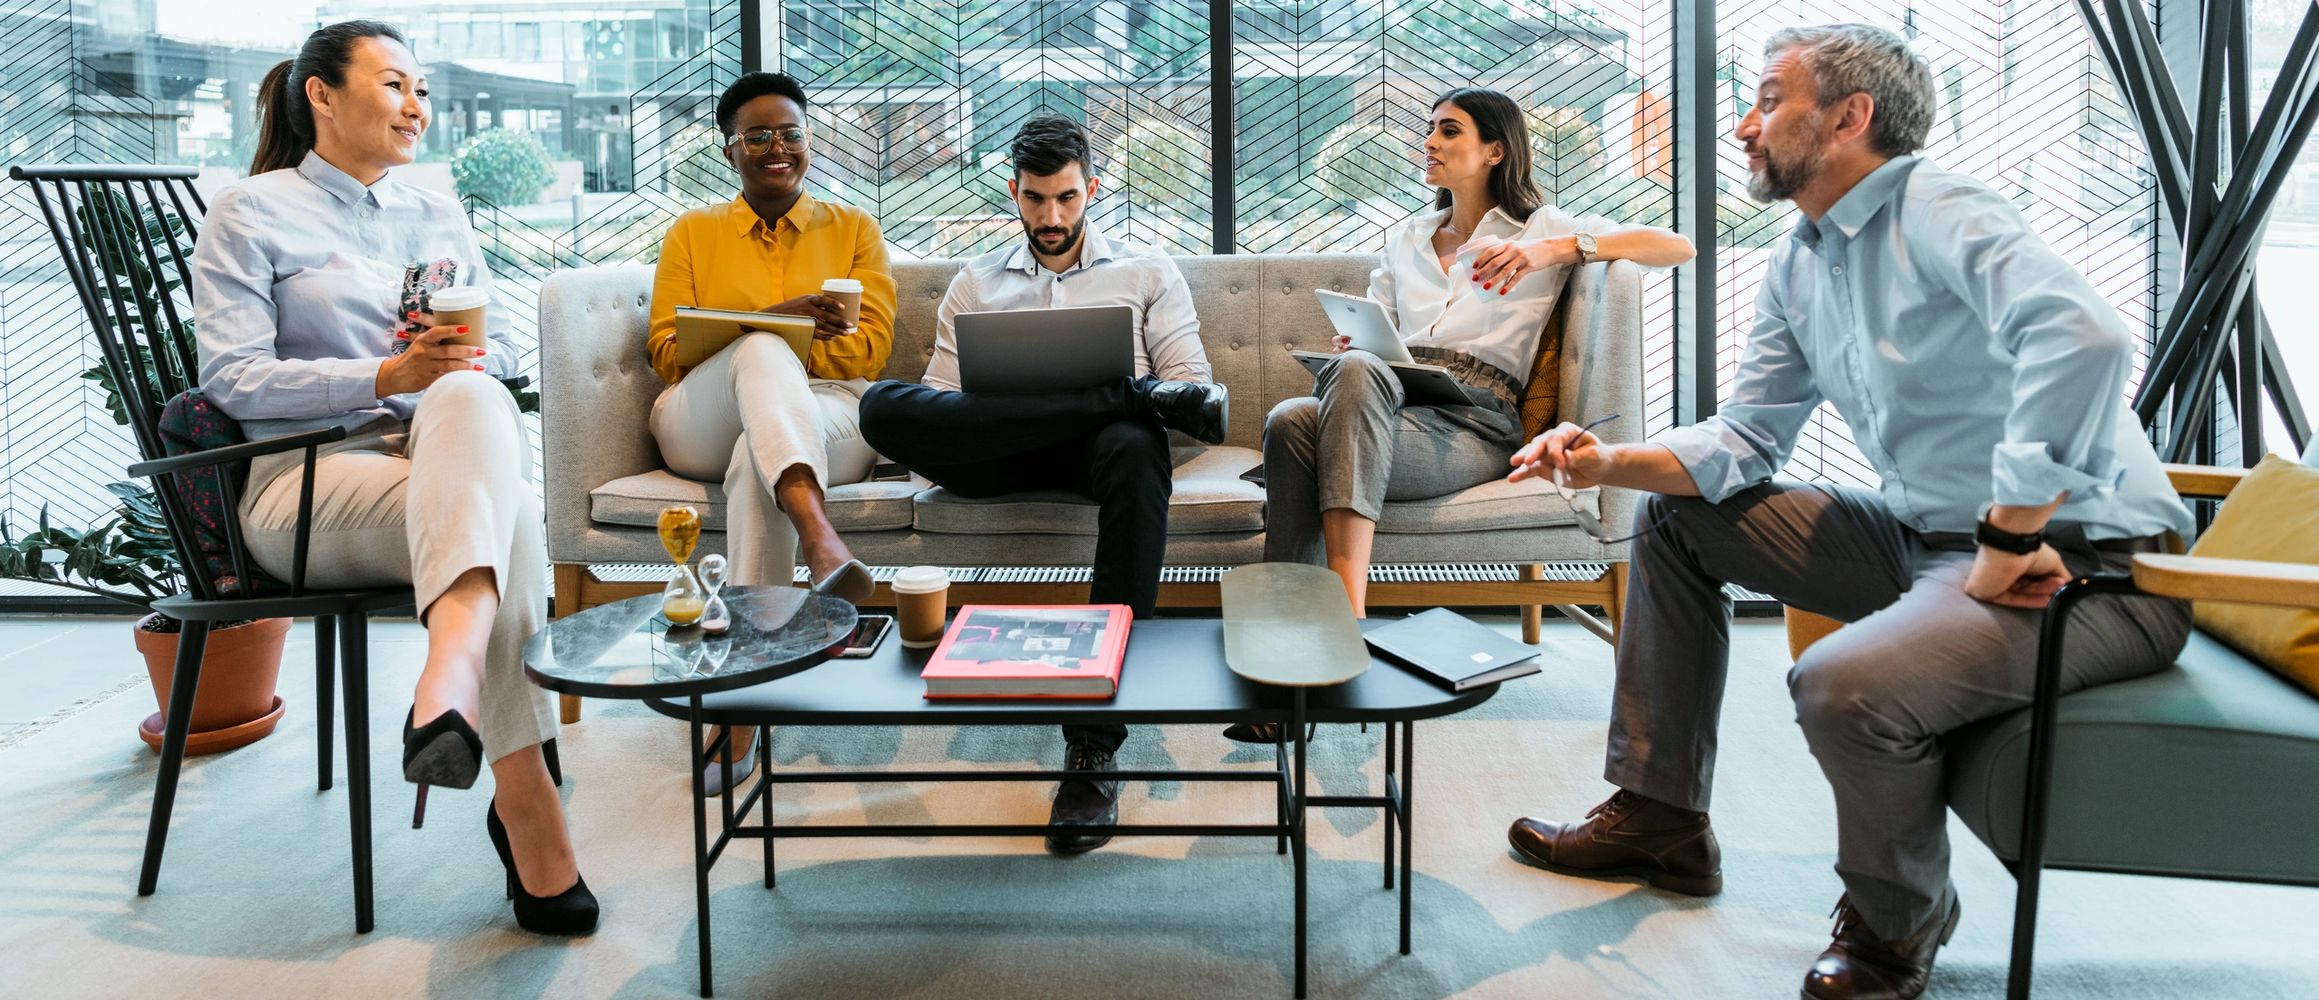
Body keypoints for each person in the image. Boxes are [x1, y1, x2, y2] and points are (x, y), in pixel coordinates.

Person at [1500, 25, 2193, 1000]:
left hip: (2089, 565)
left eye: (1768, 99)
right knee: (1675, 517)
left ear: (1849, 117)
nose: (1743, 125)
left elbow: (2081, 336)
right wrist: (1606, 457)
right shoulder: (1800, 261)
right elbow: (1745, 439)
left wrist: (2011, 530)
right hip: (1923, 538)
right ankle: (1662, 815)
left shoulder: (1941, 209)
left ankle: (1894, 921)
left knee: (1841, 682)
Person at [192, 21, 594, 934]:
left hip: (436, 468)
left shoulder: (438, 212)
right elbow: (232, 379)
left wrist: (441, 376)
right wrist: (383, 378)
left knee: (469, 394)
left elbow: (474, 362)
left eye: (421, 89)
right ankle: (524, 799)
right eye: (394, 85)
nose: (417, 105)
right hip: (305, 483)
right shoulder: (250, 210)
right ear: (321, 97)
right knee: (512, 514)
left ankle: (449, 681)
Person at [1245, 86, 1692, 744]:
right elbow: (1381, 334)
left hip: (1473, 420)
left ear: (1494, 150)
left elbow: (1674, 245)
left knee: (1323, 404)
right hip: (1389, 398)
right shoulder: (1407, 237)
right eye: (1429, 129)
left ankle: (1340, 624)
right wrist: (1358, 346)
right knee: (1290, 416)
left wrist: (1557, 251)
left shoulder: (1539, 230)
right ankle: (1296, 652)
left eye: (1448, 131)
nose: (1428, 142)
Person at [856, 113, 1228, 855]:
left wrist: (1119, 405)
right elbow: (941, 408)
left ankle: (1091, 748)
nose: (1050, 218)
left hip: (1099, 457)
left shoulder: (1148, 272)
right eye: (1034, 199)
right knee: (880, 405)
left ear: (1091, 188)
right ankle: (1118, 395)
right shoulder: (976, 282)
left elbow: (1191, 390)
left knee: (1134, 438)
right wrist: (1119, 391)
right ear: (1013, 193)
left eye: (1064, 198)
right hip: (996, 458)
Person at [646, 71, 895, 795]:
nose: (777, 147)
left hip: (827, 413)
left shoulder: (854, 230)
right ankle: (817, 534)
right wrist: (782, 321)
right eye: (758, 135)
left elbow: (865, 352)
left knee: (753, 461)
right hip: (699, 412)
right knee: (758, 354)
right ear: (730, 151)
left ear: (808, 141)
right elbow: (667, 352)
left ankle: (740, 707)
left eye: (791, 133)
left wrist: (749, 333)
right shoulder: (692, 234)